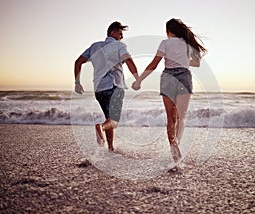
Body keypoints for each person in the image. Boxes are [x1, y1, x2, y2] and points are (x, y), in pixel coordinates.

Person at [132, 18, 207, 172]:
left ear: (168, 31)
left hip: (167, 78)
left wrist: (139, 80)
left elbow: (154, 64)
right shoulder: (188, 44)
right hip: (184, 77)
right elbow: (197, 63)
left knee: (170, 119)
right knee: (181, 117)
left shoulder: (165, 43)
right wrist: (184, 61)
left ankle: (174, 148)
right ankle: (177, 144)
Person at [74, 21, 139, 151]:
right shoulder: (119, 46)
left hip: (99, 90)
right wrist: (137, 79)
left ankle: (110, 147)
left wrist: (77, 82)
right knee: (114, 121)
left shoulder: (94, 46)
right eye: (120, 34)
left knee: (109, 119)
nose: (121, 37)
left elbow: (78, 62)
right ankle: (101, 128)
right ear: (112, 32)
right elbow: (129, 61)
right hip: (114, 87)